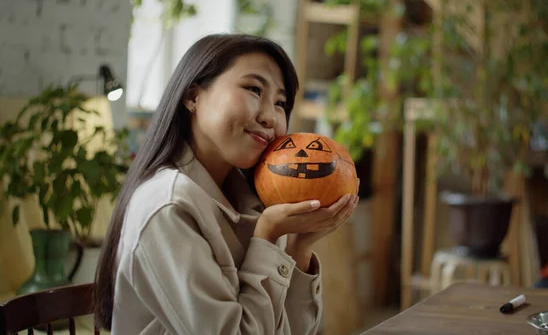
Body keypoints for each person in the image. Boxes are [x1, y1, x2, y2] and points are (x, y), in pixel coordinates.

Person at [94, 33, 359, 335]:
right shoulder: (167, 207)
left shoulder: (254, 201)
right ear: (193, 96)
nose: (271, 117)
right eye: (254, 89)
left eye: (281, 102)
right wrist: (267, 237)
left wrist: (299, 246)